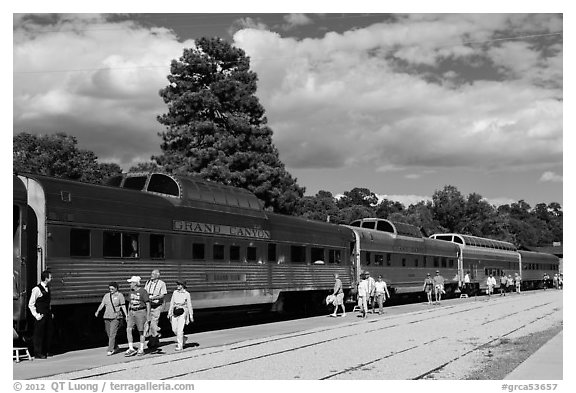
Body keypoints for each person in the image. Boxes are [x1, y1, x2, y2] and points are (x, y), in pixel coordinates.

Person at [95, 282, 127, 355]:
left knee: (112, 334)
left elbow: (123, 305)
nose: (111, 290)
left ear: (116, 288)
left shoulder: (120, 295)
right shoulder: (106, 295)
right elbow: (102, 304)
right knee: (109, 334)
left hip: (116, 317)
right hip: (107, 316)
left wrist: (126, 315)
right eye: (110, 289)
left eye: (112, 289)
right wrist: (97, 311)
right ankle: (115, 346)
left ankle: (110, 349)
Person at [28, 270, 53, 359]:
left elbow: (48, 302)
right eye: (50, 277)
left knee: (48, 332)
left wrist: (50, 312)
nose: (51, 278)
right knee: (39, 334)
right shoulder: (36, 289)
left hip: (47, 314)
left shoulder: (48, 288)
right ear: (46, 278)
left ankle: (45, 351)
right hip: (41, 314)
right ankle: (38, 353)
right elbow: (31, 304)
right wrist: (36, 315)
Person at [125, 276, 151, 357]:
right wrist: (128, 314)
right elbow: (129, 303)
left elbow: (147, 303)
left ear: (135, 283)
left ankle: (141, 349)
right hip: (132, 312)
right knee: (128, 329)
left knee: (141, 331)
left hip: (140, 312)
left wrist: (148, 315)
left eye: (131, 283)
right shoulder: (131, 292)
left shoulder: (143, 291)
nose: (130, 284)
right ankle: (131, 348)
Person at [144, 269, 167, 351]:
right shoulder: (148, 282)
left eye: (153, 274)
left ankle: (151, 343)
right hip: (149, 305)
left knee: (154, 323)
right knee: (149, 323)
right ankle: (156, 339)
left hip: (157, 306)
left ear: (158, 275)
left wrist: (154, 297)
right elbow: (144, 292)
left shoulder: (162, 283)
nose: (151, 275)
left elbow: (162, 295)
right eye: (151, 273)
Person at [168, 280, 194, 351]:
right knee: (174, 329)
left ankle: (180, 346)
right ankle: (184, 338)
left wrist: (191, 315)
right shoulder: (175, 292)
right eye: (177, 284)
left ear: (183, 286)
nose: (178, 286)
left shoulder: (187, 294)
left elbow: (189, 305)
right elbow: (172, 303)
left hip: (183, 312)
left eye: (179, 285)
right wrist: (169, 312)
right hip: (175, 311)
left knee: (180, 330)